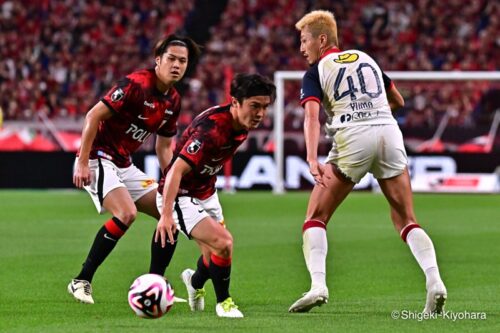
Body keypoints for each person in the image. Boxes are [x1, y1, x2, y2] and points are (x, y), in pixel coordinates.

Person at [288, 10, 447, 314]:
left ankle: (318, 285)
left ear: (322, 40)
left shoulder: (317, 71)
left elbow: (311, 116)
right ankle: (435, 281)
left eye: (304, 40)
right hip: (388, 132)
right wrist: (372, 112)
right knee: (406, 218)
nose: (301, 47)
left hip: (352, 138)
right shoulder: (366, 58)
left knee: (315, 217)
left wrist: (311, 157)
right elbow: (398, 101)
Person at [68, 34, 201, 304]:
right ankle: (81, 281)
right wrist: (82, 161)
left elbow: (164, 149)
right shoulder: (135, 84)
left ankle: (155, 285)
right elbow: (93, 115)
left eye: (182, 61)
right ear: (158, 60)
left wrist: (170, 184)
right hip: (98, 156)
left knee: (170, 214)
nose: (176, 65)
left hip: (124, 164)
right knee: (126, 213)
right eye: (172, 59)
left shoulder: (173, 101)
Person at [154, 73, 276, 318]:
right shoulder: (211, 131)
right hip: (181, 194)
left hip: (206, 192)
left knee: (213, 257)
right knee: (224, 243)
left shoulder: (241, 125)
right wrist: (166, 215)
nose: (260, 113)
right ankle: (224, 303)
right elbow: (176, 170)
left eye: (264, 107)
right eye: (254, 106)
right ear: (235, 102)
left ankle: (194, 282)